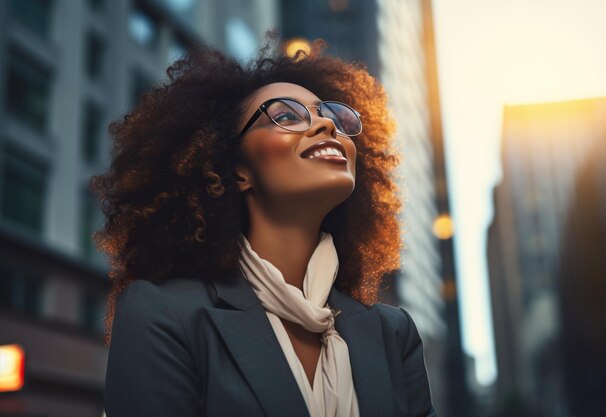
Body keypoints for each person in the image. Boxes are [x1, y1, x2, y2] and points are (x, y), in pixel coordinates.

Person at [92, 38, 436, 417]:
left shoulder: (393, 334)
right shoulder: (163, 314)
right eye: (286, 116)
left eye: (334, 117)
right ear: (237, 171)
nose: (326, 124)